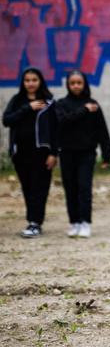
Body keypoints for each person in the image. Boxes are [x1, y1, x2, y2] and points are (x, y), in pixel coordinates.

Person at [55, 70, 110, 238]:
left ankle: (86, 222)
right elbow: (62, 121)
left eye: (79, 83)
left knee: (84, 188)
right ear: (68, 85)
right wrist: (83, 110)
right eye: (72, 83)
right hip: (66, 153)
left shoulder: (93, 105)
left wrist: (106, 155)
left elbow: (102, 131)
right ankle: (74, 223)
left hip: (86, 153)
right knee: (70, 188)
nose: (76, 86)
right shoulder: (61, 104)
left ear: (84, 84)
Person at [3, 67, 58, 238]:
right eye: (27, 80)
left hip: (42, 154)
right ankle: (32, 221)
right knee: (27, 188)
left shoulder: (49, 103)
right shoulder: (17, 100)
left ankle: (35, 222)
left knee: (39, 188)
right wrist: (28, 107)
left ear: (40, 81)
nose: (31, 83)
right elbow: (7, 120)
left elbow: (56, 130)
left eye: (34, 80)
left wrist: (53, 153)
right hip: (21, 153)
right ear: (23, 82)